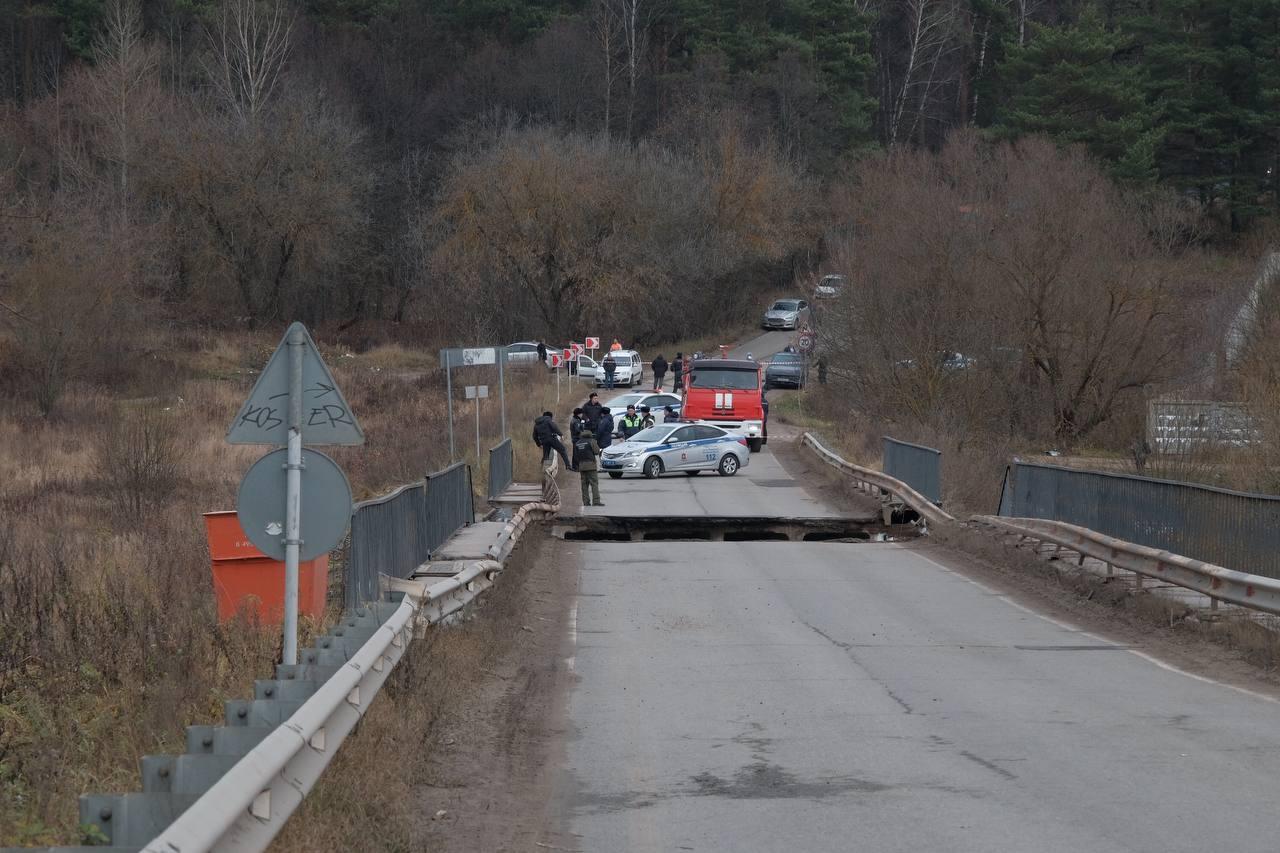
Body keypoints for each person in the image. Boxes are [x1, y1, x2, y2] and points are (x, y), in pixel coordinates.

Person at [573, 429, 603, 506]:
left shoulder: (577, 443)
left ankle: (586, 502)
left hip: (582, 466)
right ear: (590, 435)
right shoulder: (592, 441)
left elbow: (575, 456)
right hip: (591, 465)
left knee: (584, 485)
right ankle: (596, 501)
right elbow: (596, 451)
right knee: (594, 483)